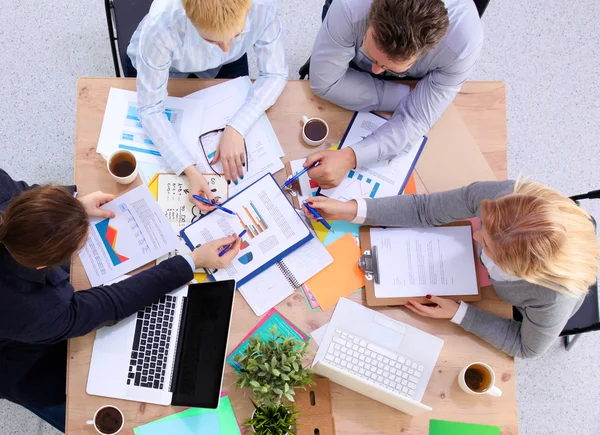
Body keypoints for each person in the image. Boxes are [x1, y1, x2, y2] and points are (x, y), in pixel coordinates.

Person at [0, 169, 240, 432]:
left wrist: (74, 208)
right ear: (45, 264)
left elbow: (20, 194)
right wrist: (192, 261)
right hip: (20, 363)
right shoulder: (37, 310)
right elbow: (108, 303)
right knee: (78, 411)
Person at [302, 180, 600, 358]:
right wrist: (353, 210)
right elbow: (426, 208)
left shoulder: (553, 297)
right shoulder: (508, 195)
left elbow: (527, 348)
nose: (475, 235)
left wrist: (460, 313)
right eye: (484, 224)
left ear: (519, 272)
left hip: (504, 300)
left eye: (489, 247)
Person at [127, 0, 288, 207]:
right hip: (168, 66)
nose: (226, 48)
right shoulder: (161, 25)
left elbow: (275, 73)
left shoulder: (263, 5)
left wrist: (237, 126)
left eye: (238, 35)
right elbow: (150, 108)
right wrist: (189, 170)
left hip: (226, 66)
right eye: (211, 41)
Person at [306, 0, 483, 188]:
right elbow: (325, 82)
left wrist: (351, 157)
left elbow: (416, 120)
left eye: (386, 66)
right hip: (355, 46)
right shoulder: (348, 7)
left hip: (415, 78)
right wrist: (407, 97)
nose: (375, 71)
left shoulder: (464, 44)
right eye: (371, 55)